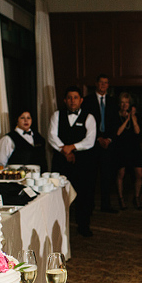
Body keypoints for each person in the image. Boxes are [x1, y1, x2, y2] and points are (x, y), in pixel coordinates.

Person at [49, 86, 98, 237]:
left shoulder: (89, 117)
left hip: (83, 162)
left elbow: (90, 140)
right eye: (69, 97)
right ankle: (58, 229)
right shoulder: (57, 115)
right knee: (58, 194)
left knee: (84, 194)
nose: (72, 100)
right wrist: (64, 150)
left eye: (75, 97)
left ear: (81, 100)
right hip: (61, 160)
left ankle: (83, 226)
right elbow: (52, 135)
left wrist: (72, 147)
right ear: (65, 100)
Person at [83, 74, 120, 213]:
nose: (103, 85)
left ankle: (106, 205)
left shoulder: (112, 101)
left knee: (107, 176)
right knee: (91, 177)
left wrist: (109, 139)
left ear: (108, 85)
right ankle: (90, 206)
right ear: (96, 84)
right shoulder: (87, 101)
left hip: (108, 145)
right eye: (101, 82)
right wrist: (98, 138)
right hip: (92, 144)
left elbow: (115, 123)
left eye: (106, 83)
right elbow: (86, 123)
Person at [111, 93, 142, 210]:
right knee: (121, 174)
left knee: (139, 174)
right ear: (120, 104)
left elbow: (137, 131)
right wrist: (127, 120)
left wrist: (133, 119)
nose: (125, 105)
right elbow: (118, 133)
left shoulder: (136, 116)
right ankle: (121, 198)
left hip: (134, 148)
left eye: (127, 102)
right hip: (121, 148)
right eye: (122, 102)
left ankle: (137, 197)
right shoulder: (116, 116)